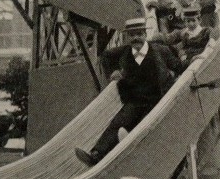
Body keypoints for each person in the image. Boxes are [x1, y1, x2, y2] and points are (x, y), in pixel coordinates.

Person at [75, 17, 182, 166]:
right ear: (127, 37)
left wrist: (195, 58)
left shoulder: (160, 51)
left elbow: (178, 66)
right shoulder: (124, 52)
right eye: (132, 35)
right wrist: (113, 72)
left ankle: (126, 149)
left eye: (139, 34)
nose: (136, 38)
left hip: (158, 99)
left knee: (145, 125)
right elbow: (105, 57)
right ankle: (96, 155)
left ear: (145, 35)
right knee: (118, 122)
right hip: (135, 99)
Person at [161, 1, 218, 66]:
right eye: (188, 21)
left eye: (193, 20)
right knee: (164, 50)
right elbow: (180, 46)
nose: (191, 24)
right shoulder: (185, 33)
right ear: (185, 22)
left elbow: (215, 34)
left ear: (199, 20)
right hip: (187, 60)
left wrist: (204, 53)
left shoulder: (206, 31)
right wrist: (182, 55)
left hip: (199, 59)